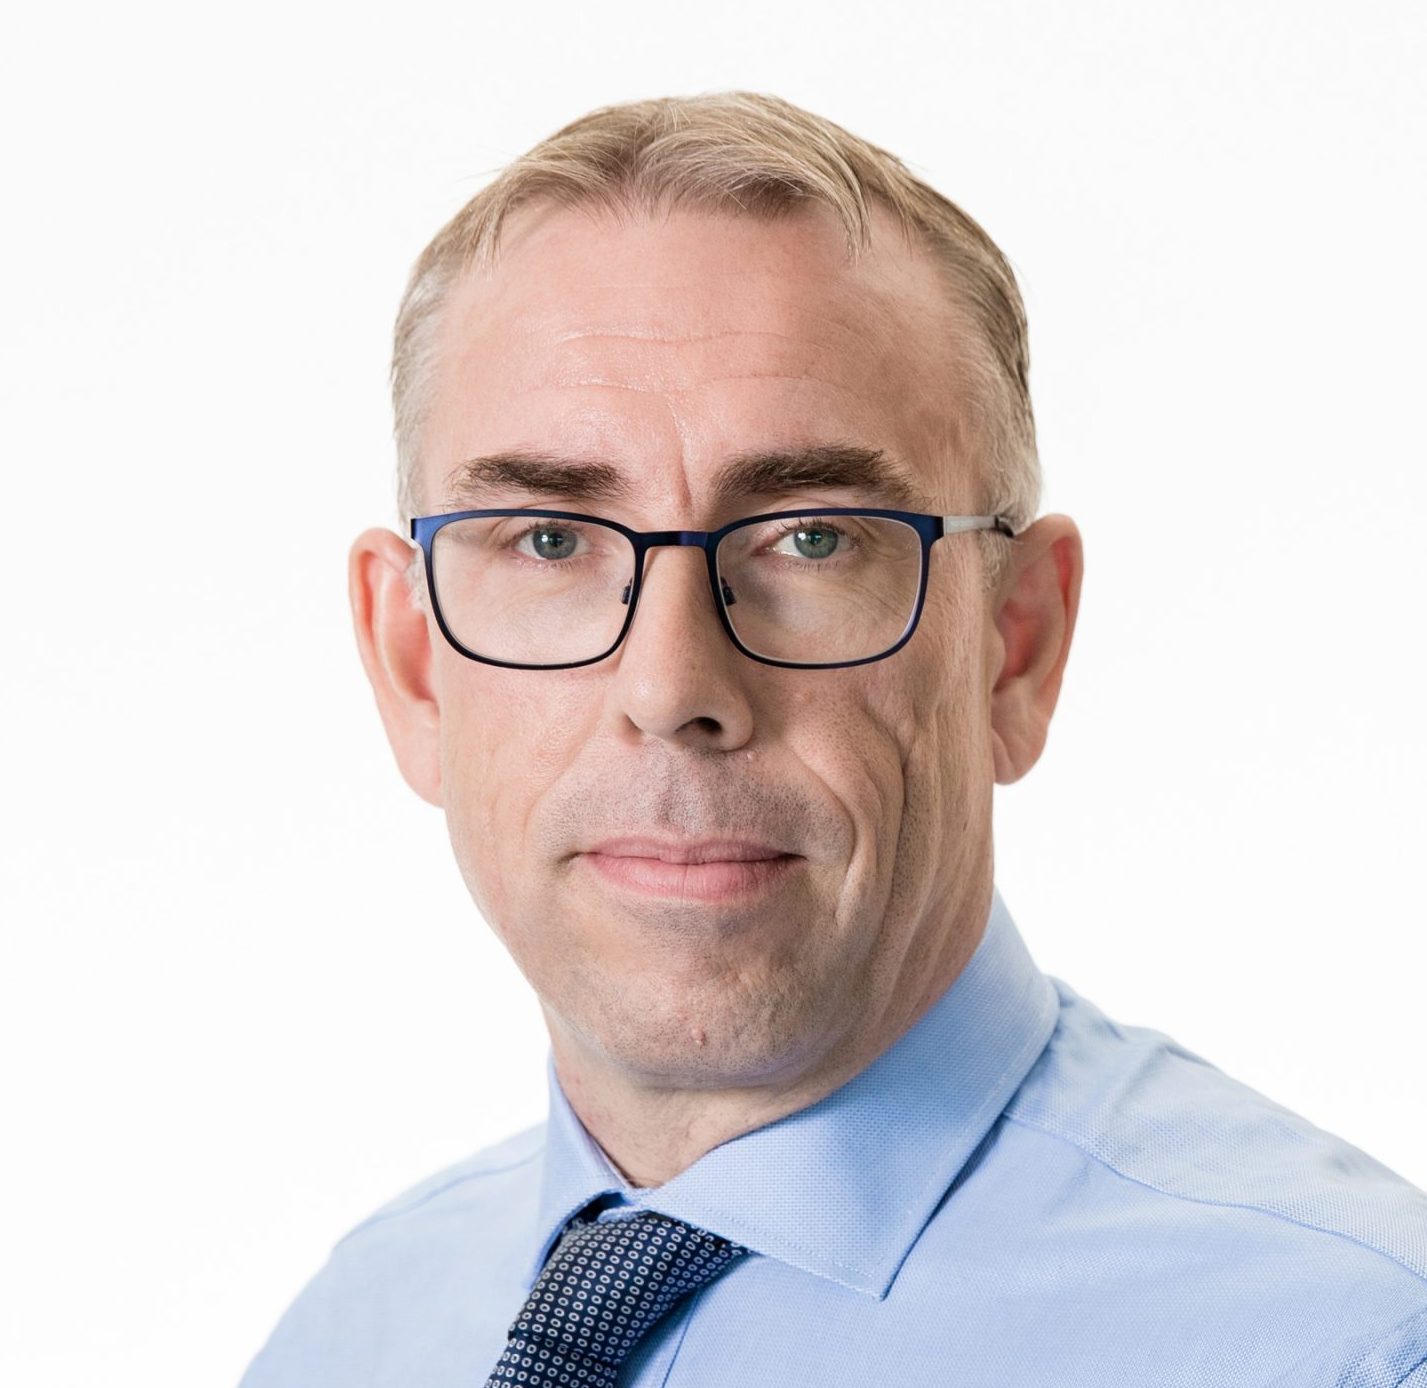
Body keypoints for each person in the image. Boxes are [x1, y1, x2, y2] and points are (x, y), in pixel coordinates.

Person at [240, 92, 1427, 1387]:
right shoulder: (352, 1337)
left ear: (1016, 647)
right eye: (549, 540)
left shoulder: (1353, 1348)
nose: (671, 686)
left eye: (812, 538)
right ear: (412, 665)